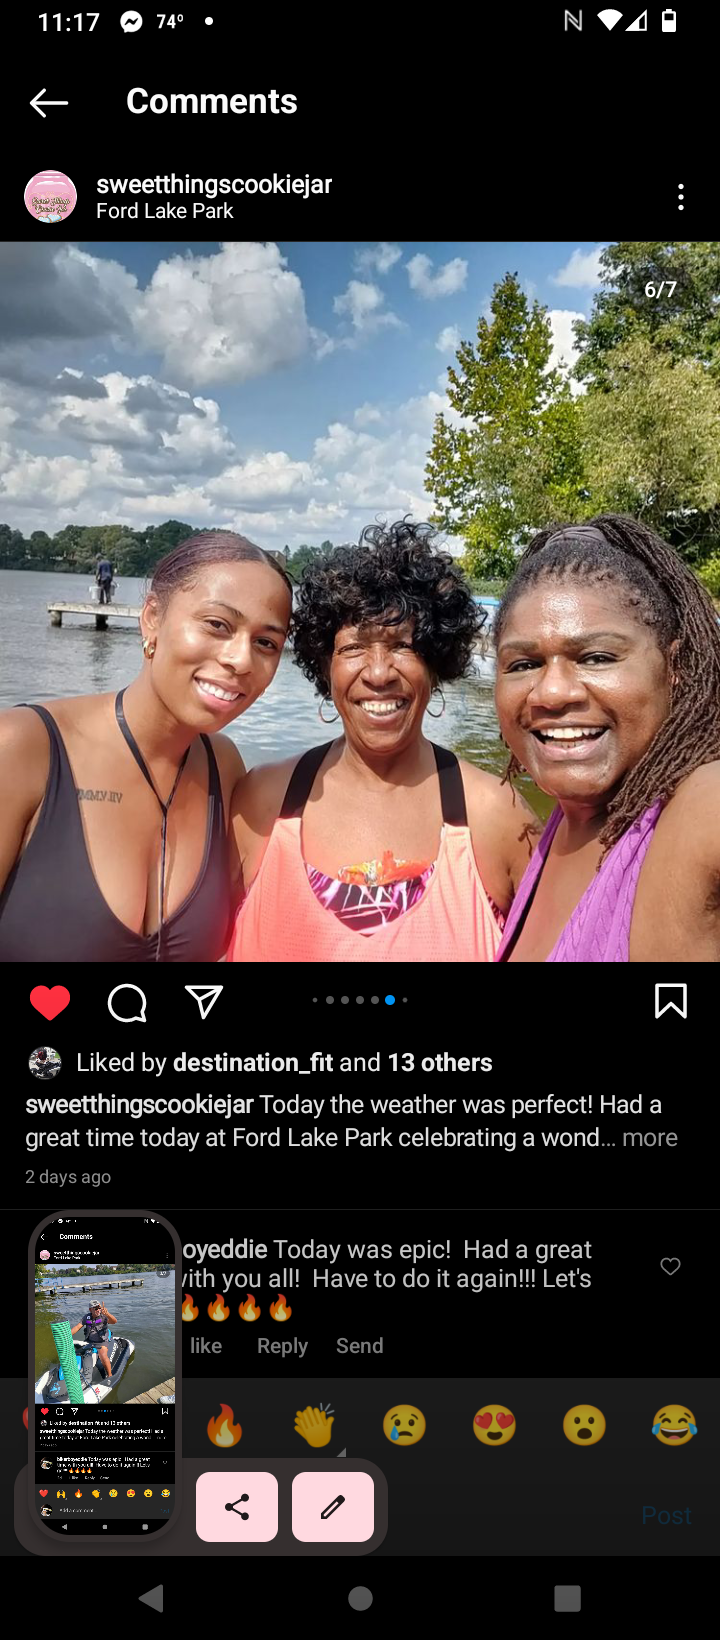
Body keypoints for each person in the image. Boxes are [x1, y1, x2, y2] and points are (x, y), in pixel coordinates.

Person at [230, 521, 539, 961]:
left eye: (403, 646)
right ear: (325, 666)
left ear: (435, 664)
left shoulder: (495, 817)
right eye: (353, 647)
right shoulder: (261, 802)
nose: (378, 673)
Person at [0, 532, 292, 960]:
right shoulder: (23, 748)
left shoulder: (223, 767)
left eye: (266, 643)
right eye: (217, 625)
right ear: (152, 617)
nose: (241, 659)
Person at [493, 515, 720, 961]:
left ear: (675, 667)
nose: (551, 692)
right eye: (524, 665)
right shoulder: (562, 827)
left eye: (597, 657)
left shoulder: (697, 809)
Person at [71, 1299, 117, 1381]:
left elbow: (114, 1321)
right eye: (95, 1308)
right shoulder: (86, 1317)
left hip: (101, 1341)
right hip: (89, 1341)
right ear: (90, 1310)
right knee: (78, 1352)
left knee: (103, 1355)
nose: (98, 1310)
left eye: (99, 1308)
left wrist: (107, 1314)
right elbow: (77, 1327)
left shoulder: (103, 1316)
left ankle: (110, 1375)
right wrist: (66, 1336)